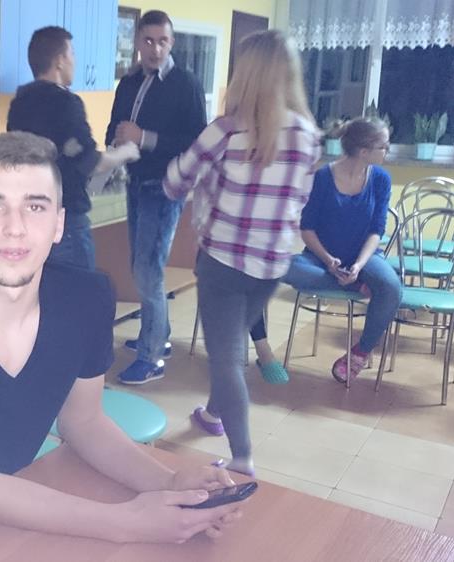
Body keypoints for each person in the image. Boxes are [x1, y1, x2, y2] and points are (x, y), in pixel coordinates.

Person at [0, 131, 241, 550]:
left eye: (35, 206)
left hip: (22, 511)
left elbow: (83, 422)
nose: (15, 228)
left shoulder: (86, 299)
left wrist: (170, 483)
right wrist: (127, 522)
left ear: (59, 224)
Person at [163, 30, 322, 477]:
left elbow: (175, 182)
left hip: (225, 263)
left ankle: (242, 457)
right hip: (273, 264)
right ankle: (214, 413)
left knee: (227, 358)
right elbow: (300, 198)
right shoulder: (309, 135)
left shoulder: (225, 131)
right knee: (230, 348)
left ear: (245, 74)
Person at [106, 10, 207, 384]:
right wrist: (116, 142)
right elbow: (115, 127)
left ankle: (151, 358)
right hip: (134, 182)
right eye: (148, 40)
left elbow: (197, 142)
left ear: (172, 42)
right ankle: (157, 335)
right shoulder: (128, 83)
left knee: (148, 271)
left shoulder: (185, 84)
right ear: (137, 42)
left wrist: (143, 138)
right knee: (141, 266)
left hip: (165, 188)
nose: (155, 49)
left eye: (162, 41)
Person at [7, 26, 139, 270]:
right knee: (79, 289)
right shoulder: (66, 103)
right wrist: (126, 152)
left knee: (40, 287)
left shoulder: (19, 103)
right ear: (60, 61)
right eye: (73, 53)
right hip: (64, 221)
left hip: (28, 216)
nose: (75, 61)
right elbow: (91, 163)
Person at [282, 117, 401, 382]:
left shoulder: (380, 179)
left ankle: (360, 352)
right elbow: (307, 228)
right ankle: (355, 285)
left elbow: (376, 231)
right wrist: (328, 260)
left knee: (391, 287)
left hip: (364, 257)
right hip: (320, 259)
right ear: (364, 151)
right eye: (384, 146)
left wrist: (358, 265)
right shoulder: (322, 177)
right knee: (283, 266)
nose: (388, 151)